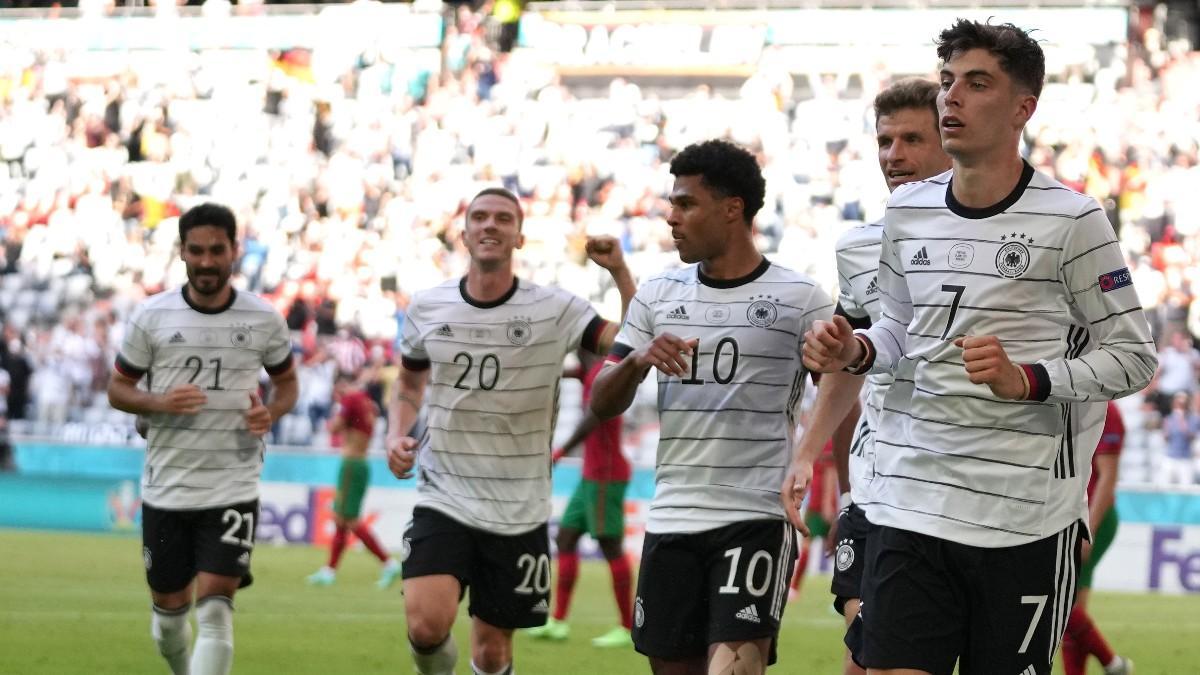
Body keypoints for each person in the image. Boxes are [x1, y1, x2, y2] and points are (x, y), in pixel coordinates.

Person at [802, 19, 1157, 675]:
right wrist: (852, 350)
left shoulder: (1074, 221)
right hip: (913, 502)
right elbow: (901, 332)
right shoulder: (908, 212)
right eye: (946, 82)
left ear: (1023, 107)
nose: (951, 98)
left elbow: (1135, 356)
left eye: (976, 83)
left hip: (1021, 517)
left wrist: (1029, 378)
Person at [590, 139, 834, 675]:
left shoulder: (801, 299)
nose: (671, 217)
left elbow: (841, 388)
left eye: (685, 204)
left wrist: (814, 460)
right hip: (672, 518)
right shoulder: (656, 295)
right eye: (672, 204)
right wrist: (637, 362)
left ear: (732, 209)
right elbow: (601, 401)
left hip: (754, 517)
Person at [384, 186, 635, 675]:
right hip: (444, 495)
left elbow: (631, 338)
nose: (490, 225)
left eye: (503, 218)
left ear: (519, 237)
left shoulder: (557, 309)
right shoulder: (427, 307)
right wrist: (396, 433)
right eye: (480, 217)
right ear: (464, 234)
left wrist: (620, 272)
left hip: (518, 508)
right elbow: (410, 382)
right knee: (425, 626)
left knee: (492, 652)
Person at [780, 77, 951, 673]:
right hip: (878, 487)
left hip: (962, 490)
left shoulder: (1013, 239)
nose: (893, 155)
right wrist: (807, 452)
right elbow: (852, 362)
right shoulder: (858, 248)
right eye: (884, 140)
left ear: (952, 138)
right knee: (870, 652)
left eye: (912, 139)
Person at [107, 202, 299, 675]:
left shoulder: (263, 319)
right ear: (182, 253)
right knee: (169, 618)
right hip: (167, 486)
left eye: (218, 250)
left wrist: (269, 412)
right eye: (197, 251)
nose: (208, 262)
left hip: (233, 484)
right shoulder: (151, 316)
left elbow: (289, 384)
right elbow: (118, 389)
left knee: (215, 609)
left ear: (235, 250)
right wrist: (159, 402)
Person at [527, 350, 634, 648]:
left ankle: (627, 626)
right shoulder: (590, 368)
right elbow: (567, 371)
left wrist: (560, 452)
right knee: (565, 538)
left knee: (609, 545)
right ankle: (558, 621)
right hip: (591, 474)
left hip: (606, 473)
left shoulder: (602, 371)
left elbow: (593, 418)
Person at [307, 372, 402, 588]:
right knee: (341, 519)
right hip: (361, 463)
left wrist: (334, 414)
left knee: (349, 520)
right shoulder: (367, 402)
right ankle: (329, 571)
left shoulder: (350, 399)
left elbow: (334, 427)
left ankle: (388, 563)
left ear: (342, 383)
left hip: (351, 464)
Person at [1060, 402, 1133, 675]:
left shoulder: (1106, 410)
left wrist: (1088, 529)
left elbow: (1108, 475)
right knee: (1072, 609)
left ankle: (1112, 663)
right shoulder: (1070, 400)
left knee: (1064, 604)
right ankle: (1114, 665)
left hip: (1091, 518)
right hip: (1069, 515)